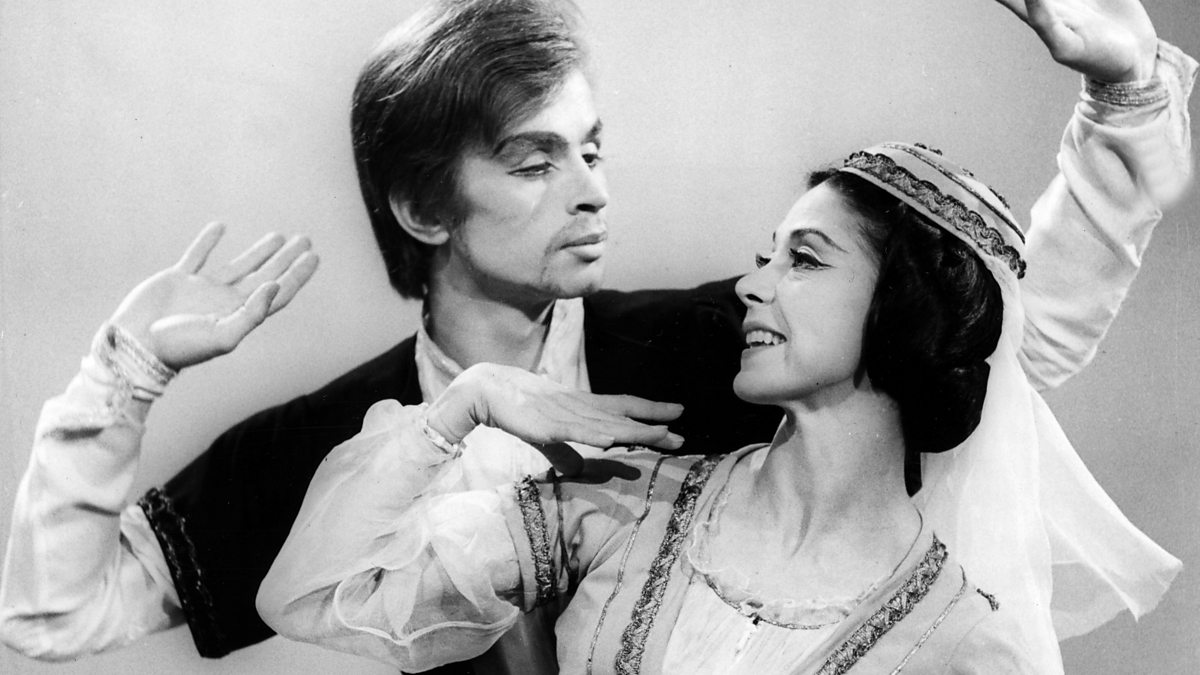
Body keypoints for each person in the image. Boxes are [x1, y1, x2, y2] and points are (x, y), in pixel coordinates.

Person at [0, 0, 1194, 669]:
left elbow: (987, 340)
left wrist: (1126, 104)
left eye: (594, 148)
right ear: (422, 208)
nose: (592, 192)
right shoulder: (326, 443)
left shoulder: (712, 347)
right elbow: (55, 615)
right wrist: (126, 372)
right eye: (535, 161)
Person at [251, 139, 1182, 673]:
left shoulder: (966, 643)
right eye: (765, 254)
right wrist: (466, 402)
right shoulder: (620, 506)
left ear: (904, 306)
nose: (751, 284)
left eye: (803, 258)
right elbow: (308, 595)